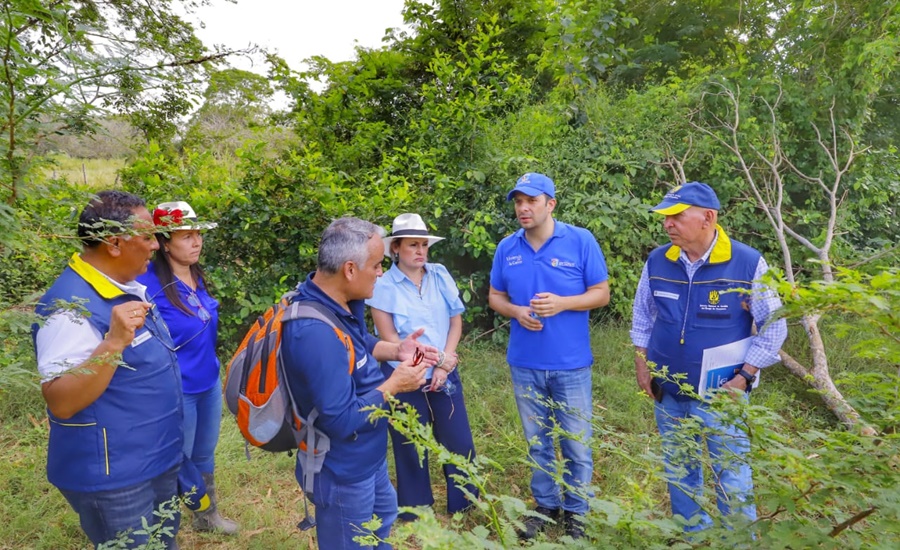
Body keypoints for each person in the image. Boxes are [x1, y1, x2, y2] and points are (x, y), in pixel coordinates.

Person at [630, 182, 788, 532]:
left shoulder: (746, 263)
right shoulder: (659, 260)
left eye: (676, 216)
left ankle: (738, 539)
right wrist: (642, 364)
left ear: (708, 218)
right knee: (679, 468)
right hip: (668, 389)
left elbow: (774, 327)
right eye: (665, 217)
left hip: (723, 395)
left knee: (731, 473)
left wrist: (744, 377)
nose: (667, 224)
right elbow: (642, 316)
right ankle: (691, 533)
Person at [33, 190, 184, 549]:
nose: (156, 246)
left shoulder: (126, 286)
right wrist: (113, 343)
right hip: (116, 478)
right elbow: (61, 401)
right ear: (114, 243)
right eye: (147, 237)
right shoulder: (69, 309)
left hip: (155, 458)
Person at [280, 216, 435, 549]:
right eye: (377, 265)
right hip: (342, 472)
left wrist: (395, 349)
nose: (381, 273)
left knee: (382, 521)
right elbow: (340, 419)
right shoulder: (314, 333)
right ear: (349, 269)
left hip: (368, 457)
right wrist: (395, 384)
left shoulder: (338, 300)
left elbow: (357, 342)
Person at [488, 173, 610, 540]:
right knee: (537, 442)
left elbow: (601, 293)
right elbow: (495, 297)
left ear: (550, 204)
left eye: (531, 201)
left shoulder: (580, 240)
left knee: (576, 443)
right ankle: (545, 506)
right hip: (525, 363)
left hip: (570, 364)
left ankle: (577, 511)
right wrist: (515, 311)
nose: (523, 208)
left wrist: (563, 303)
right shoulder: (507, 247)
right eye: (518, 202)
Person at [366, 213, 478, 520]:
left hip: (444, 371)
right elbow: (390, 340)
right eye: (412, 245)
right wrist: (426, 364)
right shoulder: (383, 284)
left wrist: (444, 363)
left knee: (458, 440)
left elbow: (455, 323)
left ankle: (465, 505)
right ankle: (416, 511)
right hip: (404, 375)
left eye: (424, 245)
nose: (420, 251)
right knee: (410, 444)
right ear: (396, 248)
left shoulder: (439, 275)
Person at [137, 201, 238, 535]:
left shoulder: (195, 275)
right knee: (175, 460)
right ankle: (161, 530)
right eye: (186, 236)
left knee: (203, 455)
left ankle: (207, 517)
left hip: (208, 381)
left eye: (198, 234)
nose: (196, 242)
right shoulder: (146, 284)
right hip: (176, 388)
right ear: (164, 243)